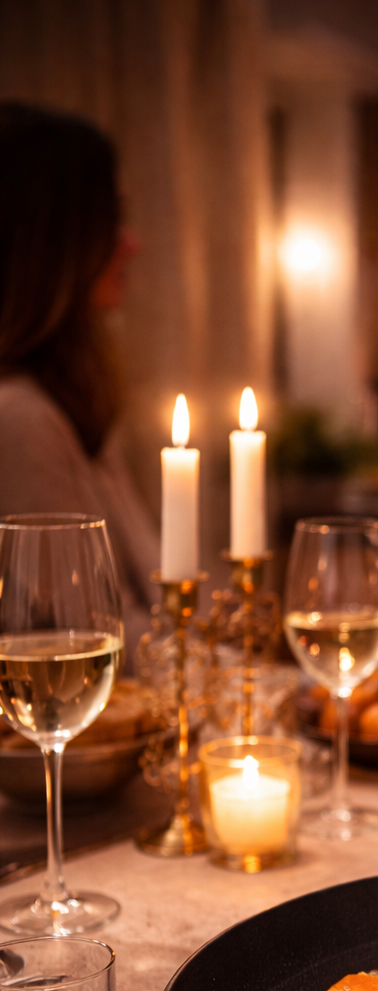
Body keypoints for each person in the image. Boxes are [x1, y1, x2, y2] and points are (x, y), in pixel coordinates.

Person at [0, 102, 159, 664]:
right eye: (109, 221)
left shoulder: (69, 394)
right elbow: (82, 643)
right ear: (52, 243)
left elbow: (154, 592)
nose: (131, 243)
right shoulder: (17, 418)